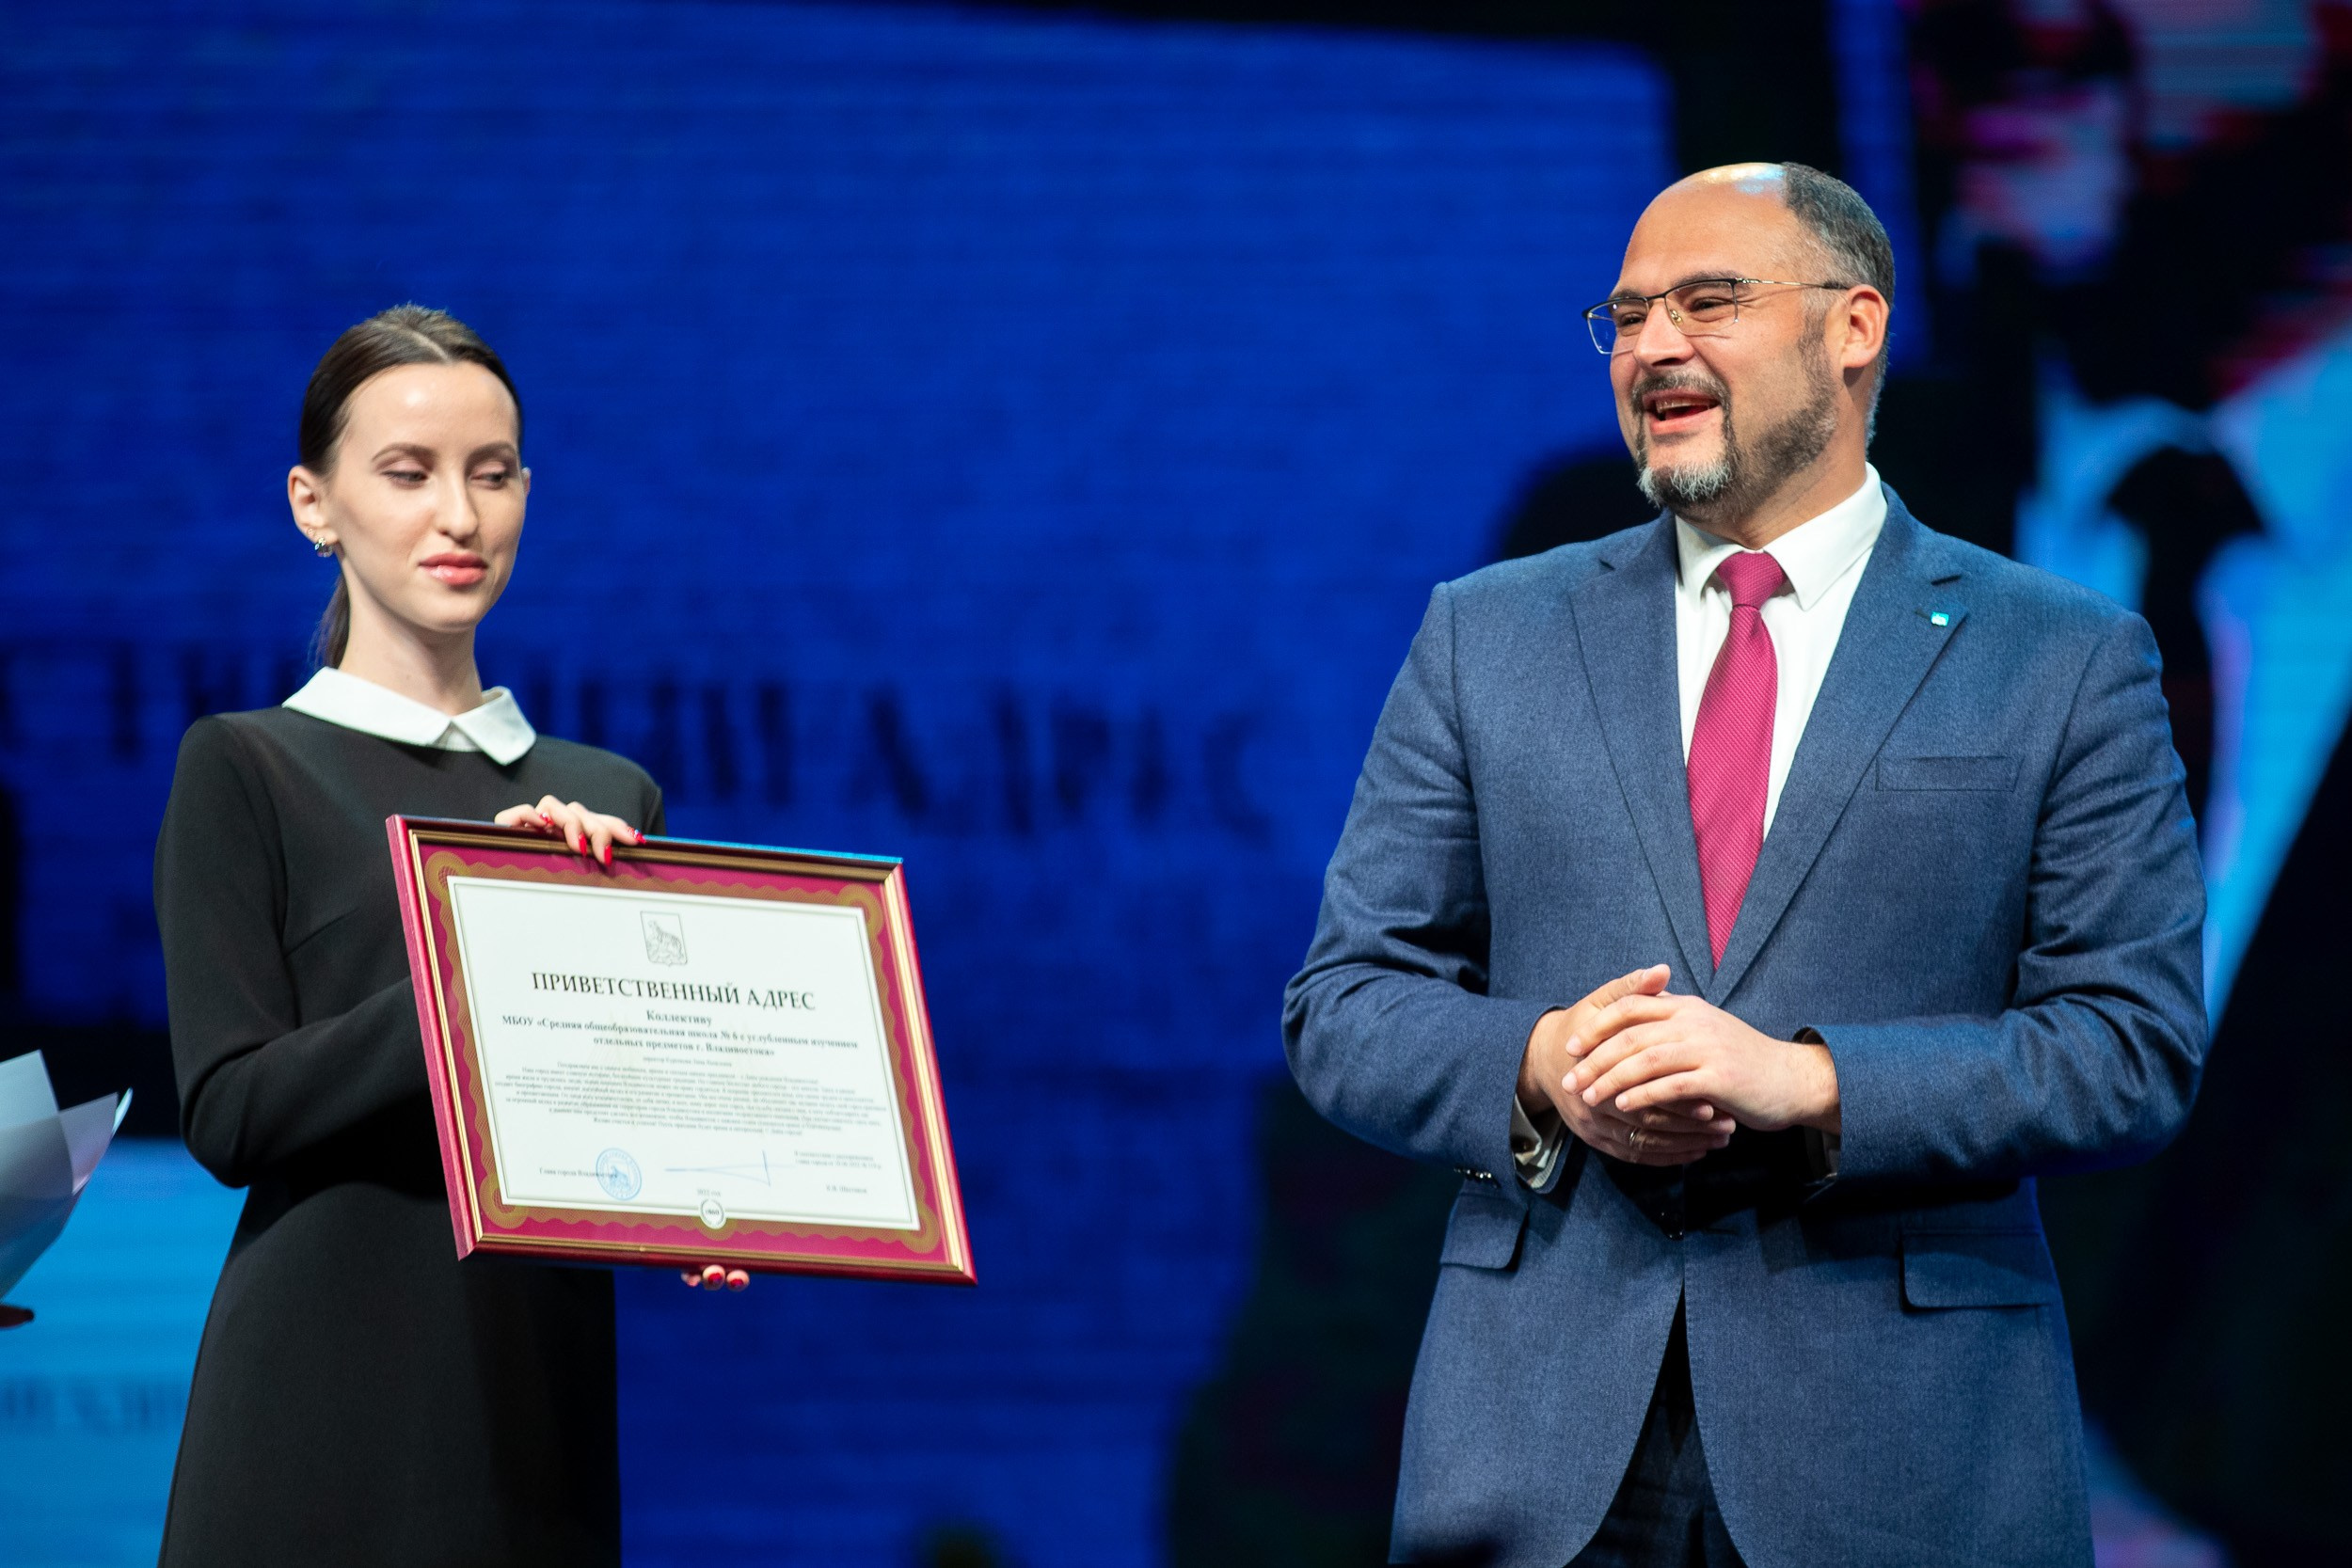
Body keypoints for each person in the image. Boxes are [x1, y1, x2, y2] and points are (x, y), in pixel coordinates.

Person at [1283, 165, 2206, 1568]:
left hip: (1903, 1466)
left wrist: (1813, 1084)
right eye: (1629, 314)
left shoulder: (2061, 657)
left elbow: (2130, 1048)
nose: (1656, 346)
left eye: (1710, 301)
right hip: (1536, 1461)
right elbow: (1344, 1004)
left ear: (1855, 326)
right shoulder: (1490, 634)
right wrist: (1541, 1059)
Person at [154, 306, 660, 1566]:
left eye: (493, 476)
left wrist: (712, 1203)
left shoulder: (607, 797)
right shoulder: (248, 765)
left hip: (531, 1384)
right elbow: (229, 1113)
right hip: (318, 1384)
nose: (461, 516)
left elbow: (631, 1108)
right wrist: (487, 939)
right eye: (408, 473)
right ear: (312, 505)